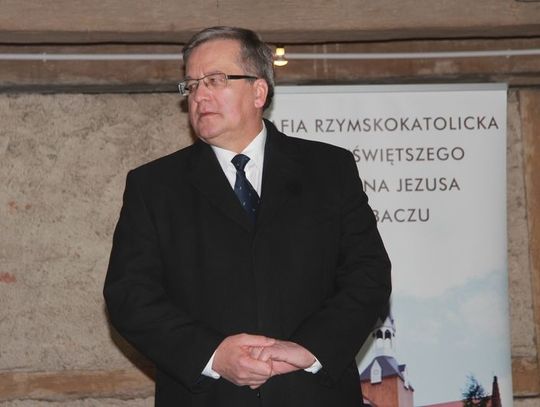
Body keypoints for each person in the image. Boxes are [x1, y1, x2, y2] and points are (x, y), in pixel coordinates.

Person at [104, 26, 391, 407]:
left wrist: (309, 349)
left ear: (259, 91)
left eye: (215, 80)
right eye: (192, 85)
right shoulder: (154, 186)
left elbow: (368, 275)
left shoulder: (329, 169)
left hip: (312, 394)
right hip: (207, 397)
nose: (199, 95)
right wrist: (212, 356)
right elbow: (129, 296)